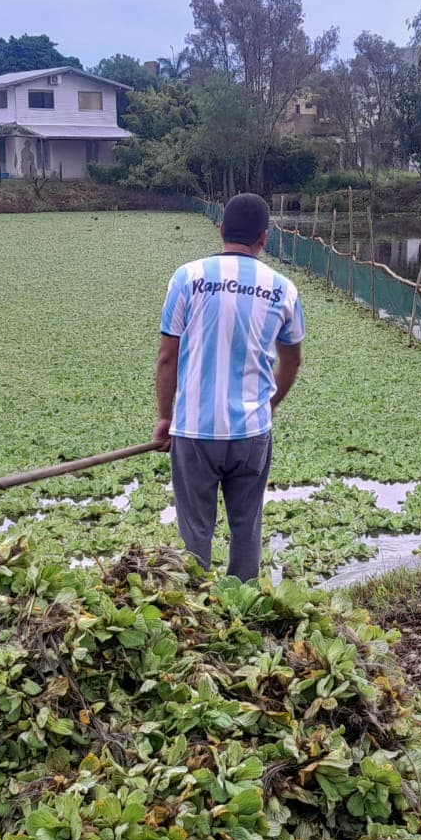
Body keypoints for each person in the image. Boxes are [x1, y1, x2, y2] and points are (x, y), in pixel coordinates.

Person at [152, 193, 305, 580]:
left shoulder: (187, 277)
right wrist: (270, 405)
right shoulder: (283, 289)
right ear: (264, 238)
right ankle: (244, 611)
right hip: (252, 431)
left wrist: (164, 418)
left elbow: (167, 356)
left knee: (195, 533)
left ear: (220, 230)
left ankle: (197, 616)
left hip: (194, 432)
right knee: (246, 527)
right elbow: (293, 360)